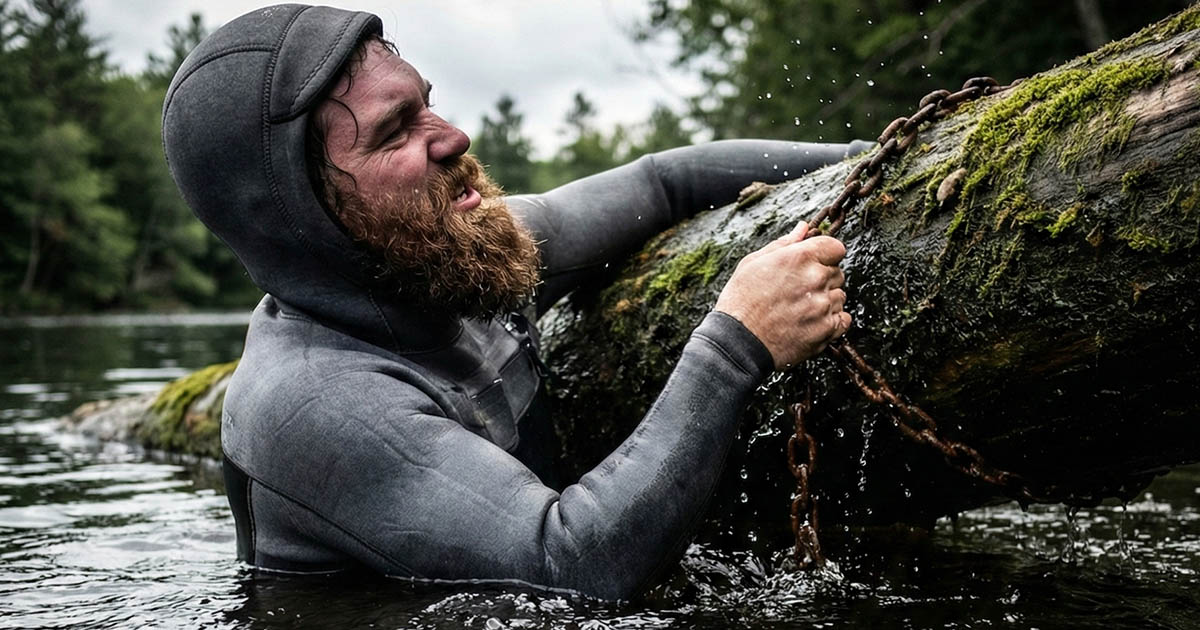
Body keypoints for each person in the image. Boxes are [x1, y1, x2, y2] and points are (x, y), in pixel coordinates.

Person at [163, 4, 863, 600]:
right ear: (299, 215)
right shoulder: (311, 402)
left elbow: (661, 184)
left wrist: (873, 156)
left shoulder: (451, 254)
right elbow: (571, 565)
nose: (452, 136)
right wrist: (736, 342)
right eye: (394, 130)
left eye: (425, 102)